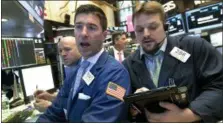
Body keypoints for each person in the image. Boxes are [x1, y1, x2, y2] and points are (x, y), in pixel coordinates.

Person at [123, 1, 223, 123]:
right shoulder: (127, 65)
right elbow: (123, 108)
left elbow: (219, 85)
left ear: (165, 26)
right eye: (139, 30)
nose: (146, 34)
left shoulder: (194, 47)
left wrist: (189, 115)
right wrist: (135, 104)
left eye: (153, 27)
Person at [37, 4, 131, 122]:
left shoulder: (116, 74)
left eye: (91, 27)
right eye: (79, 27)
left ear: (104, 35)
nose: (83, 33)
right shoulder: (76, 69)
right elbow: (55, 111)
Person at [34, 36, 81, 112]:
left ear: (80, 48)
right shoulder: (71, 70)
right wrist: (50, 97)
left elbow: (82, 107)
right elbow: (68, 99)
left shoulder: (85, 71)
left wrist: (50, 107)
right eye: (60, 51)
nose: (63, 54)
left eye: (67, 49)